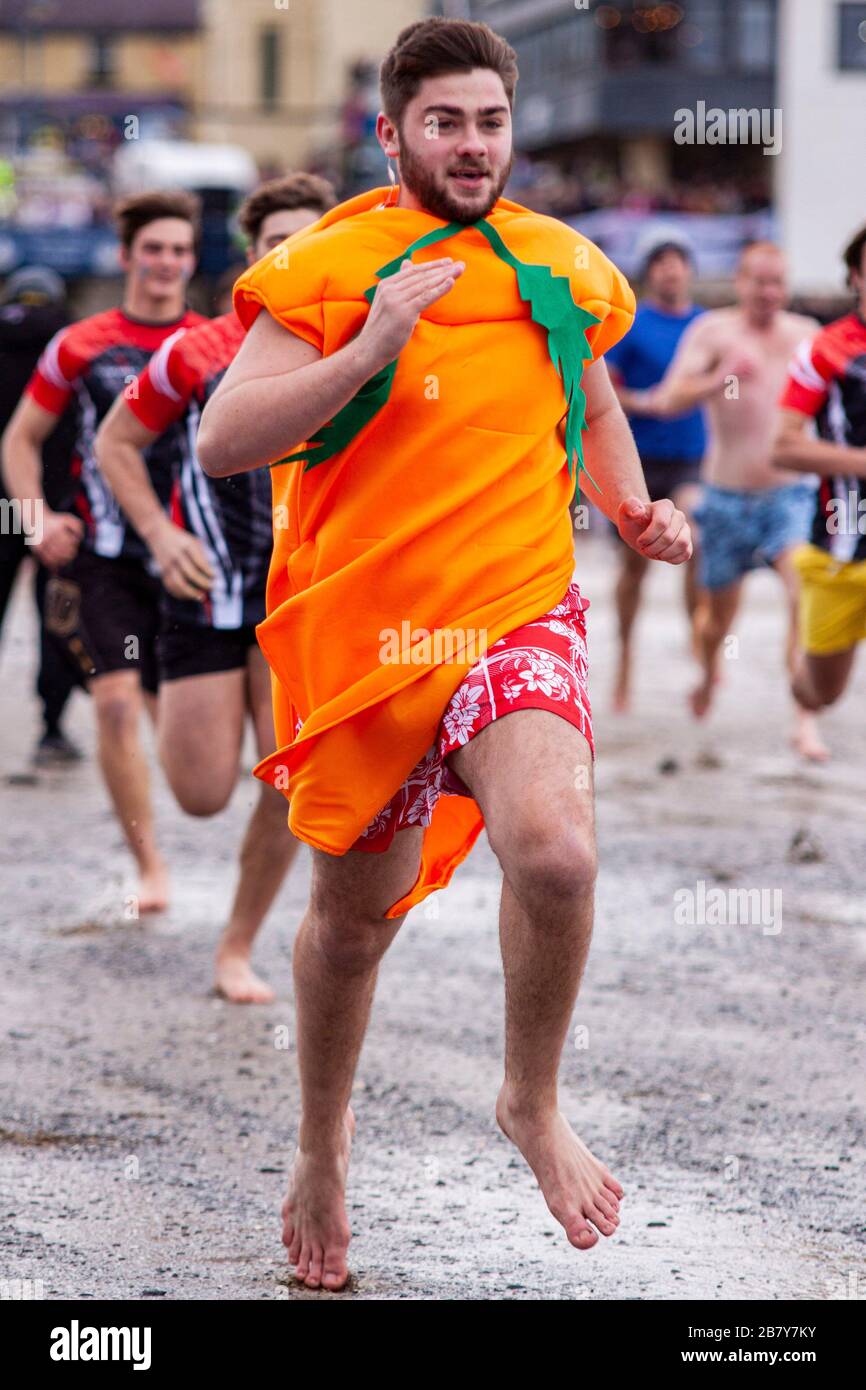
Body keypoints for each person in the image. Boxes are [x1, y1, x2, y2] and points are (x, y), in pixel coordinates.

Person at [197, 16, 691, 1290]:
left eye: (488, 122)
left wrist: (631, 506)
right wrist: (368, 347)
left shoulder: (561, 262)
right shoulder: (328, 261)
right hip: (368, 642)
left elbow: (585, 397)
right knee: (352, 929)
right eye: (443, 123)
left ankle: (529, 1101)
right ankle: (322, 1143)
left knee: (559, 852)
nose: (471, 147)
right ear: (391, 131)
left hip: (515, 607)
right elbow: (222, 438)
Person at [94, 174, 337, 1002]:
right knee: (201, 794)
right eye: (278, 244)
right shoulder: (194, 352)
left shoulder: (353, 347)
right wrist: (158, 537)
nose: (295, 255)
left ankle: (237, 946)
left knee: (291, 780)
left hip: (296, 602)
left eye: (311, 240)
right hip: (201, 594)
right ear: (253, 256)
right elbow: (115, 442)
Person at [2, 192, 205, 912]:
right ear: (126, 257)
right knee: (116, 703)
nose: (167, 263)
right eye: (154, 248)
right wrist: (34, 519)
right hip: (104, 554)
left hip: (189, 556)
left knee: (185, 736)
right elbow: (20, 439)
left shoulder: (211, 343)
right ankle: (149, 864)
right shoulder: (80, 344)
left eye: (180, 250)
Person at [620, 242, 825, 760]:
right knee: (717, 621)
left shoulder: (806, 336)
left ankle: (804, 718)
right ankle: (709, 672)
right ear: (740, 281)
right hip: (728, 498)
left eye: (778, 283)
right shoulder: (713, 332)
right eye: (759, 282)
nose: (769, 293)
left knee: (802, 590)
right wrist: (721, 377)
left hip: (790, 493)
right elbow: (666, 400)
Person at [606, 228, 706, 710]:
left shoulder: (706, 326)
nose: (671, 270)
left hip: (691, 457)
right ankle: (625, 658)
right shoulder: (632, 326)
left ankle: (699, 639)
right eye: (662, 263)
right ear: (651, 273)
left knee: (696, 538)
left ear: (689, 271)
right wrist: (650, 402)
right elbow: (605, 391)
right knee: (634, 566)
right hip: (638, 460)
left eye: (678, 262)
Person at [774, 222, 866, 718]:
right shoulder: (825, 351)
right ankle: (794, 675)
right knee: (819, 694)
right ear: (856, 276)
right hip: (841, 549)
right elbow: (783, 447)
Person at [0, 266, 86, 764]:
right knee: (55, 616)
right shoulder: (72, 344)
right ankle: (51, 728)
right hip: (53, 508)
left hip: (1, 507)